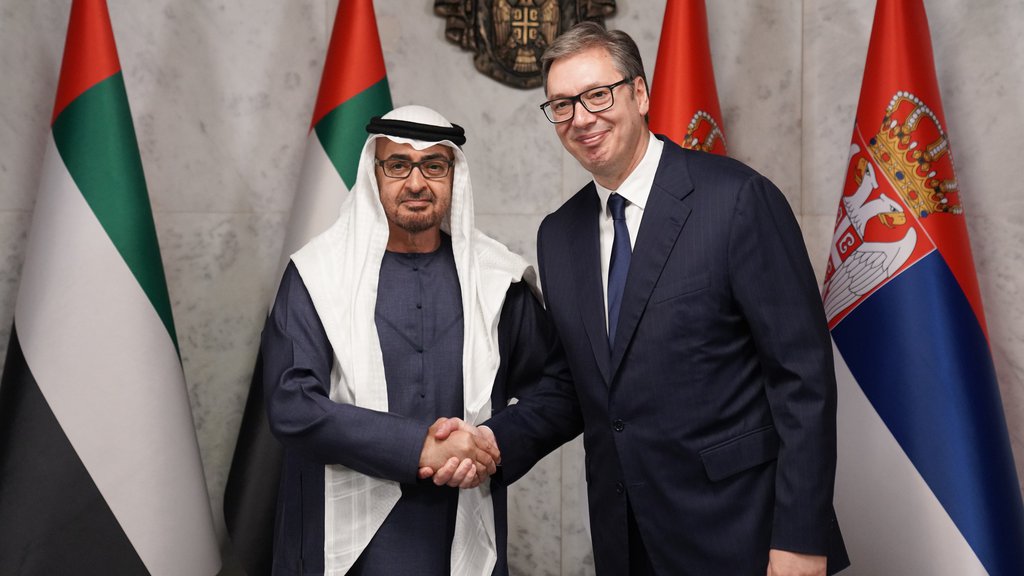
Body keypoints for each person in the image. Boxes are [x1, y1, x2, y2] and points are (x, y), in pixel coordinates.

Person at [429, 22, 850, 576]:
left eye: (597, 95)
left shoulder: (737, 200)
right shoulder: (560, 234)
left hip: (743, 534)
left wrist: (800, 539)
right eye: (561, 105)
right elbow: (578, 385)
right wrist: (489, 439)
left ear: (640, 94)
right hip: (626, 541)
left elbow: (803, 379)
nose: (581, 118)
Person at [262, 105, 553, 576]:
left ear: (454, 175)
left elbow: (559, 388)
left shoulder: (496, 279)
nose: (416, 183)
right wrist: (420, 447)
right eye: (398, 165)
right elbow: (291, 403)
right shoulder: (317, 274)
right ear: (373, 173)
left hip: (461, 523)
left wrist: (491, 444)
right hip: (341, 541)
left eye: (433, 166)